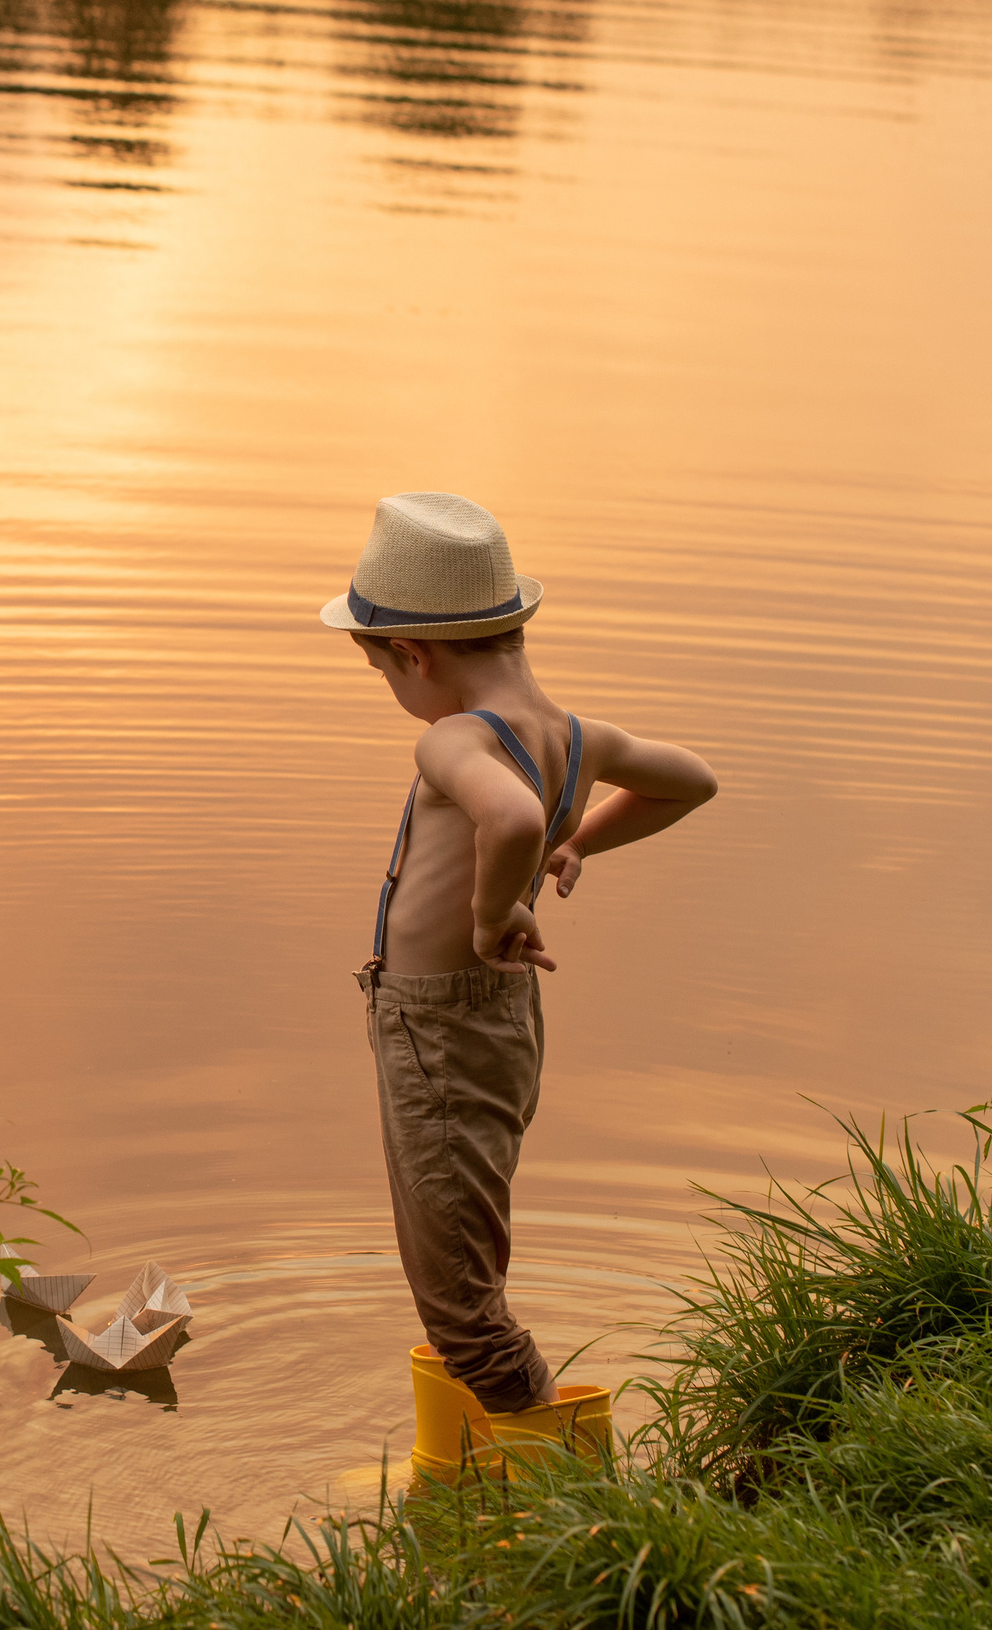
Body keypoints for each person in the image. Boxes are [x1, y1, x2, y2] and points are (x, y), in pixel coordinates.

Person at [322, 493, 717, 1415]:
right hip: (490, 1027)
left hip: (439, 1030)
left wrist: (494, 909)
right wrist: (581, 844)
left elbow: (511, 816)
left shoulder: (453, 739)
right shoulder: (577, 739)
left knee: (460, 1303)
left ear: (413, 655)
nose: (393, 691)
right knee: (458, 1247)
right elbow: (691, 781)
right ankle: (465, 1472)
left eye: (383, 672)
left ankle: (568, 1496)